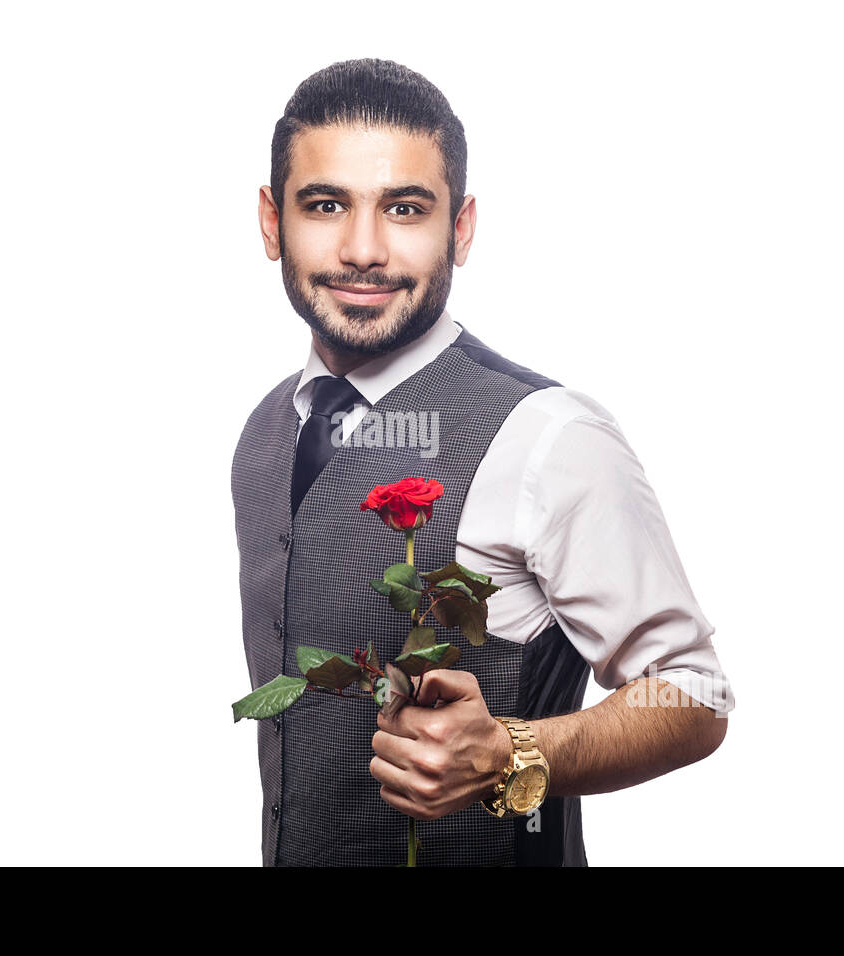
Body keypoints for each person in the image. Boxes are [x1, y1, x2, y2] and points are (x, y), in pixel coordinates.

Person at [232, 58, 735, 867]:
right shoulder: (266, 431)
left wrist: (511, 752)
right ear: (271, 221)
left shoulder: (550, 434)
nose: (363, 250)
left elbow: (695, 694)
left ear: (460, 228)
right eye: (326, 205)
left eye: (405, 208)